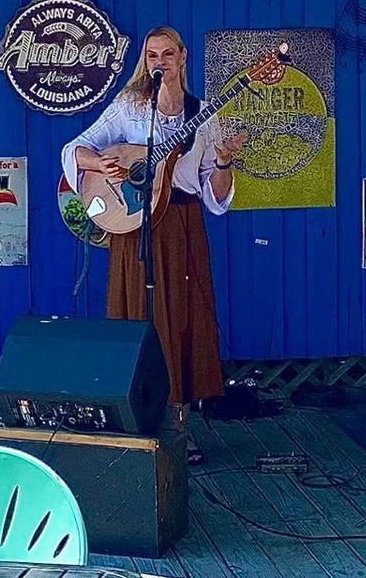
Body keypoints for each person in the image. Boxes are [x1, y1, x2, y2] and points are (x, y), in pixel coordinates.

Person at [62, 26, 244, 463]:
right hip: (136, 225)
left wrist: (223, 160)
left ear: (183, 57)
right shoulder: (130, 108)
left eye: (166, 54)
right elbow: (75, 148)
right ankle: (137, 421)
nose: (158, 61)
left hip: (181, 226)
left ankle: (179, 429)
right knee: (136, 319)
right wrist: (101, 161)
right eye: (151, 55)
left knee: (182, 322)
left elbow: (215, 196)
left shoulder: (204, 114)